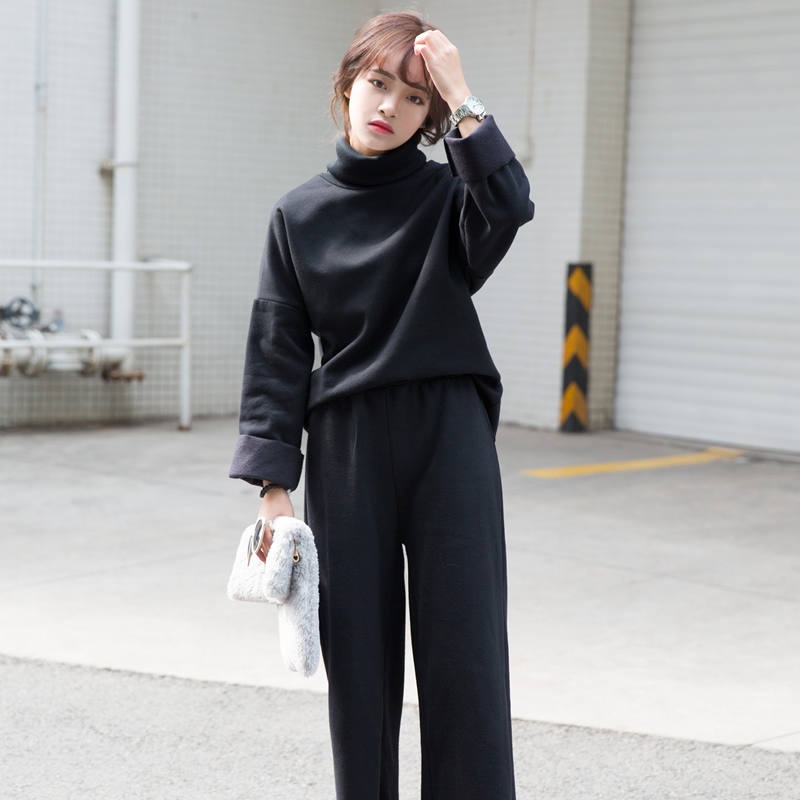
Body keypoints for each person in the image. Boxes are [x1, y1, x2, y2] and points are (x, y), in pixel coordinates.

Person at [230, 10, 534, 800]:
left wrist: (462, 93)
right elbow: (277, 350)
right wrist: (273, 488)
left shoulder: (451, 197)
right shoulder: (298, 215)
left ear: (431, 116)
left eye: (413, 98)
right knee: (358, 663)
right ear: (347, 86)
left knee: (466, 655)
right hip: (349, 446)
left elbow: (509, 206)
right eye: (377, 84)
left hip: (449, 434)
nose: (389, 107)